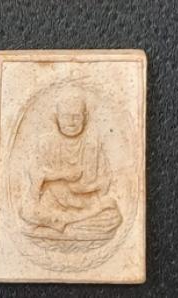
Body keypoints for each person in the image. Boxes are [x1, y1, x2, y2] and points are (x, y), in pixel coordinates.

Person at [20, 91, 122, 239]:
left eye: (76, 117)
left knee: (114, 216)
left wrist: (85, 188)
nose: (71, 122)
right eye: (66, 117)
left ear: (85, 117)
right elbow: (35, 174)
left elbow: (105, 180)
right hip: (52, 203)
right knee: (27, 211)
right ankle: (68, 226)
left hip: (85, 203)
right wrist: (62, 175)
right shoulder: (46, 143)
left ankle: (59, 226)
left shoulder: (93, 145)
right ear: (56, 117)